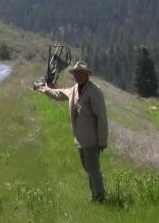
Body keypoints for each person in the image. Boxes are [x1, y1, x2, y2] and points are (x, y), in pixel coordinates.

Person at [37, 61, 108, 202]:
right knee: (88, 169)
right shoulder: (74, 89)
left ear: (86, 75)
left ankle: (100, 197)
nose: (77, 76)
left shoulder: (94, 91)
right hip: (80, 139)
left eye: (80, 73)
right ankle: (94, 195)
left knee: (93, 169)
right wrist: (46, 90)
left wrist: (102, 140)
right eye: (75, 73)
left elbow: (102, 117)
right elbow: (60, 93)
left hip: (92, 139)